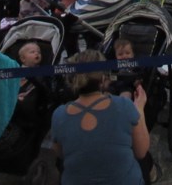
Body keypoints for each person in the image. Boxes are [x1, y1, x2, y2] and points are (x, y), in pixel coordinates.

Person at [51, 49, 151, 185]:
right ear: (103, 78)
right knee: (146, 161)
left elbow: (61, 154)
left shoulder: (59, 115)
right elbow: (141, 151)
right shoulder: (124, 105)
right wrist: (139, 108)